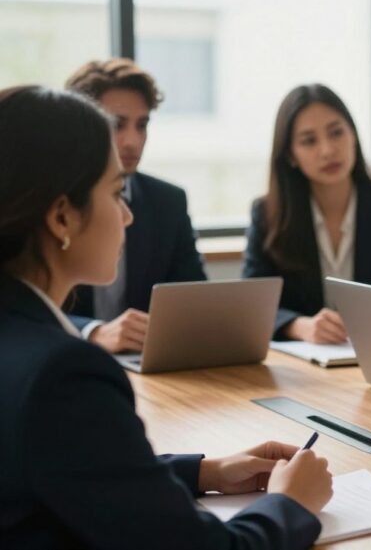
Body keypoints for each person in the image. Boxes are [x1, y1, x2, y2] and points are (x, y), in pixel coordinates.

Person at [0, 86, 332, 549]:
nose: (128, 216)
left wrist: (204, 471)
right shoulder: (64, 374)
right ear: (62, 218)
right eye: (117, 193)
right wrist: (292, 504)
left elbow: (62, 465)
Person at [244, 84, 371, 343]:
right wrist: (300, 326)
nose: (327, 150)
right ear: (290, 154)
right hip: (301, 366)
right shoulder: (268, 214)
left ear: (353, 135)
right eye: (309, 141)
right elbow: (253, 308)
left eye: (336, 133)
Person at [64, 59, 207, 353]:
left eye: (142, 125)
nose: (133, 141)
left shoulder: (168, 201)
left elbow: (194, 300)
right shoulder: (54, 204)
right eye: (117, 124)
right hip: (66, 360)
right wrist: (93, 332)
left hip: (148, 365)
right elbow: (21, 309)